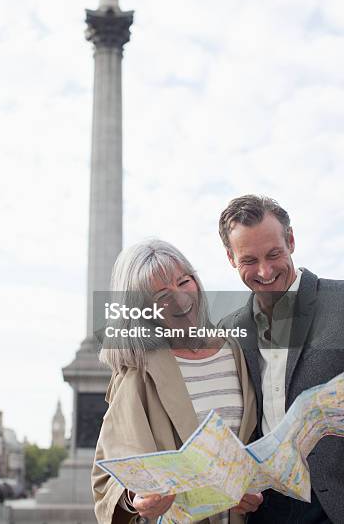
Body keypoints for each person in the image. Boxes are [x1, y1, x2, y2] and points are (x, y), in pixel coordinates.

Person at [92, 239, 262, 524]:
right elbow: (105, 479)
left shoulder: (235, 350)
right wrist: (136, 500)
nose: (181, 299)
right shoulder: (136, 372)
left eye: (184, 282)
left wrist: (252, 487)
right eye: (161, 296)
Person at [218, 195, 344, 524]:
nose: (265, 270)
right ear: (231, 258)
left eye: (274, 254)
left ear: (290, 240)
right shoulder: (228, 329)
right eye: (249, 259)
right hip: (263, 507)